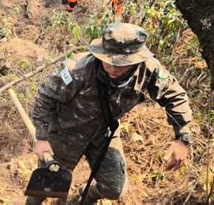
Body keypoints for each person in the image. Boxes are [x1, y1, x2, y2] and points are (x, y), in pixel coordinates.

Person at [29, 23, 193, 204]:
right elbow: (45, 98)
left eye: (121, 64)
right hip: (65, 134)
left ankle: (81, 199)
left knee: (114, 188)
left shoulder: (149, 70)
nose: (113, 69)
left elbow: (175, 97)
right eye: (109, 61)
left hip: (104, 134)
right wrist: (42, 138)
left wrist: (182, 138)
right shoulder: (77, 69)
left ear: (136, 60)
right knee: (45, 187)